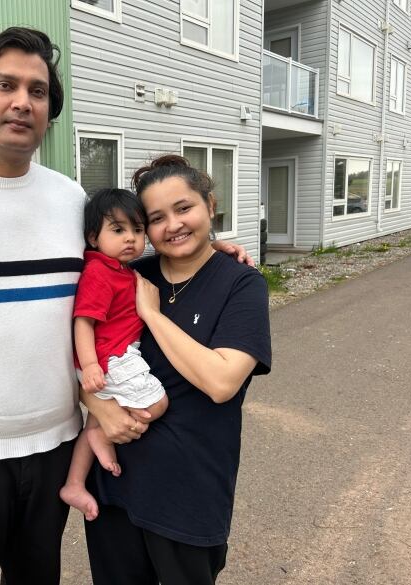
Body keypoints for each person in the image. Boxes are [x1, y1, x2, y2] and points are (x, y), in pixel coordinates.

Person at [0, 26, 253, 585]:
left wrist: (214, 253)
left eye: (37, 91)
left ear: (49, 110)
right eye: (5, 85)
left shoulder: (68, 200)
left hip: (54, 445)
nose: (22, 101)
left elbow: (122, 268)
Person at [82, 154, 272, 585]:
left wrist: (152, 315)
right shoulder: (128, 274)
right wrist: (96, 403)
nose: (173, 225)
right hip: (116, 488)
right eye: (156, 218)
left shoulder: (241, 284)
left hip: (189, 494)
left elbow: (222, 382)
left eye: (184, 208)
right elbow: (76, 349)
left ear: (210, 204)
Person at [60, 188, 169, 522]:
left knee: (100, 414)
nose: (131, 239)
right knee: (156, 404)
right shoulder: (99, 273)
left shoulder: (119, 269)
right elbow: (83, 321)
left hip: (115, 357)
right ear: (94, 237)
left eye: (137, 230)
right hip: (108, 359)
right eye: (118, 230)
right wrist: (91, 365)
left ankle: (74, 483)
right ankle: (98, 433)